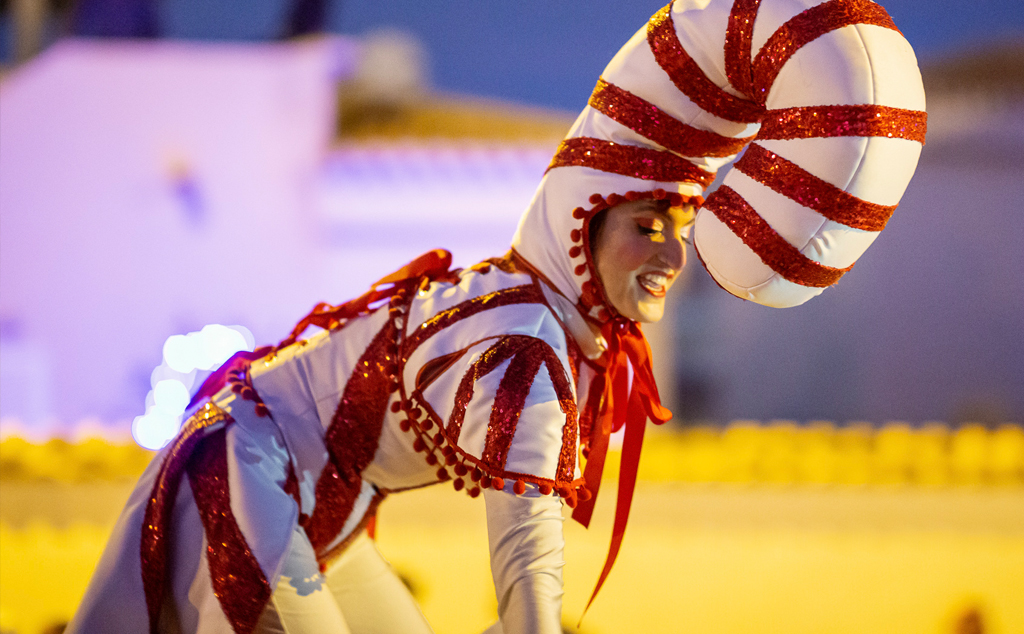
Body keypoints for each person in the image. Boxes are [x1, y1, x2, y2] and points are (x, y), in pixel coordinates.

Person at [68, 0, 926, 631]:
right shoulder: (523, 342)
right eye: (645, 227)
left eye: (680, 228)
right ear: (582, 227)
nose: (671, 254)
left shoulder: (549, 321)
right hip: (250, 474)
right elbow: (524, 559)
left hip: (325, 500)